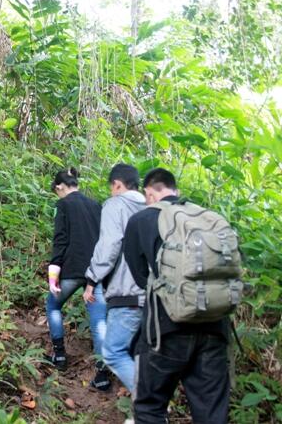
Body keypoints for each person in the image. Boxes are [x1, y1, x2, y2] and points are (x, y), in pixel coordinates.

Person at [124, 168, 230, 424]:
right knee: (212, 414)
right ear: (176, 191)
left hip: (166, 330)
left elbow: (140, 278)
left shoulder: (141, 220)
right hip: (215, 326)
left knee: (149, 408)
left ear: (149, 193)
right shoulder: (207, 217)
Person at [83, 164, 146, 394]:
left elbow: (109, 246)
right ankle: (145, 413)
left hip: (127, 291)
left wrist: (92, 279)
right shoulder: (153, 207)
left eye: (112, 188)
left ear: (118, 185)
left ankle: (152, 410)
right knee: (139, 355)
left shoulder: (116, 205)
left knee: (114, 353)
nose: (111, 192)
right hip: (156, 296)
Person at [45, 168, 106, 379]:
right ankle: (102, 375)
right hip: (95, 272)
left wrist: (54, 271)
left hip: (71, 268)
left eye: (57, 191)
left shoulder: (63, 204)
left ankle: (60, 356)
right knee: (99, 321)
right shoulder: (96, 205)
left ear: (60, 187)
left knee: (53, 305)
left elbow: (60, 239)